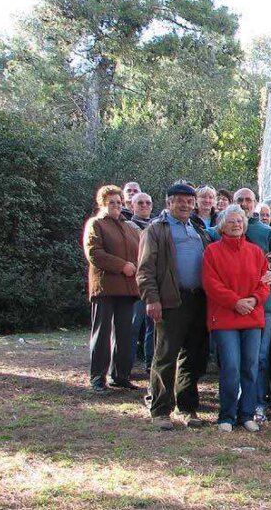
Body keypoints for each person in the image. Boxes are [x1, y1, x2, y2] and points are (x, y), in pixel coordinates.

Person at [137, 182, 212, 430]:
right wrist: (152, 299)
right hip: (170, 300)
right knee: (165, 356)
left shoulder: (198, 230)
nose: (186, 205)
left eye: (190, 202)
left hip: (198, 300)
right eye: (181, 201)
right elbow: (145, 269)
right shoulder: (157, 230)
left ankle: (188, 408)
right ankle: (160, 409)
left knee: (193, 357)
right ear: (169, 203)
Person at [220, 188, 271, 424]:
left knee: (259, 358)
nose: (244, 204)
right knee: (232, 360)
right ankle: (232, 407)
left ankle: (257, 404)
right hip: (230, 305)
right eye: (239, 200)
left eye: (248, 200)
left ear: (254, 204)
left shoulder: (266, 232)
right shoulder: (219, 230)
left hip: (263, 305)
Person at [201, 204, 271, 433]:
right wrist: (235, 302)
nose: (236, 225)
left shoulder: (256, 252)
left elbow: (264, 283)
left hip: (252, 316)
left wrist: (253, 300)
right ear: (222, 225)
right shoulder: (212, 251)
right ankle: (227, 415)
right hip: (225, 318)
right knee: (230, 367)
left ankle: (247, 414)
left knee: (251, 367)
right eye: (231, 221)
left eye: (239, 221)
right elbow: (211, 283)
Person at [83, 184, 142, 393]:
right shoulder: (96, 224)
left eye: (119, 202)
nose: (116, 205)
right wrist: (122, 266)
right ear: (102, 203)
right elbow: (94, 253)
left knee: (125, 334)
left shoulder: (128, 227)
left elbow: (140, 252)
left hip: (128, 290)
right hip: (106, 288)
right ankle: (98, 377)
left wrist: (136, 267)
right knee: (102, 332)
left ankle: (121, 375)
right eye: (112, 202)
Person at [129, 191, 155, 374]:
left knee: (153, 327)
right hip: (134, 284)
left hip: (154, 283)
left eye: (148, 203)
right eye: (140, 203)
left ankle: (150, 363)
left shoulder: (157, 226)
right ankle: (126, 365)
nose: (144, 206)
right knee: (133, 325)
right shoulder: (127, 226)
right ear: (132, 206)